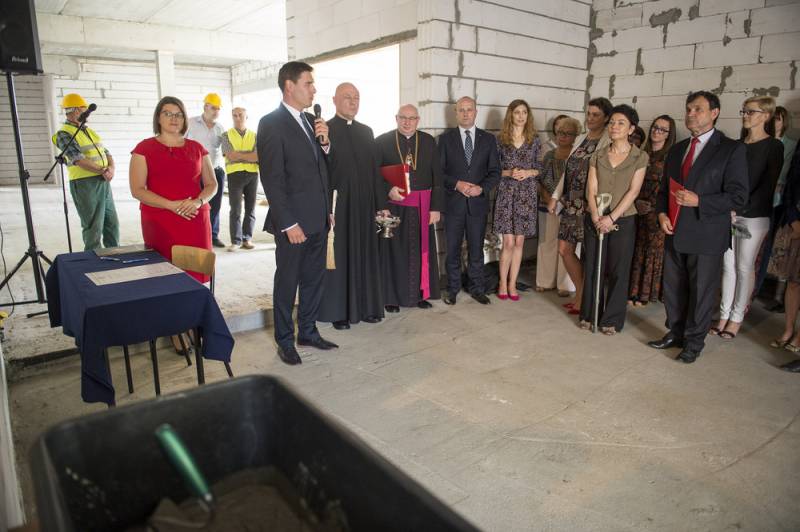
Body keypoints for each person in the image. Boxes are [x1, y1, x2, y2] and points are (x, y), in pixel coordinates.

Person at [649, 91, 748, 363]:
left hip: (707, 234)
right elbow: (664, 191)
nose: (691, 113)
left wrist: (700, 201)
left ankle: (693, 342)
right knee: (673, 289)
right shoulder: (678, 149)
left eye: (698, 109)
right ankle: (675, 332)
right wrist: (661, 214)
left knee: (701, 291)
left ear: (714, 113)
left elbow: (739, 197)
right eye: (688, 109)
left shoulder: (731, 149)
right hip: (675, 230)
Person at [257, 61, 336, 365]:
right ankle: (285, 340)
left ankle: (308, 332)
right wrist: (288, 223)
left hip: (318, 217)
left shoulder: (311, 121)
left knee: (314, 279)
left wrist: (326, 144)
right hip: (293, 223)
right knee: (288, 282)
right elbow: (272, 179)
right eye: (308, 83)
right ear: (289, 86)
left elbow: (321, 170)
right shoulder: (271, 123)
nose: (314, 90)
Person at [710, 96, 783, 339]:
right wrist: (727, 208)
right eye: (744, 111)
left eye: (751, 112)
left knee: (744, 266)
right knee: (728, 266)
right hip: (730, 215)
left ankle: (736, 318)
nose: (745, 116)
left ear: (766, 115)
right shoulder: (737, 145)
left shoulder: (773, 146)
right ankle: (723, 315)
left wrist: (737, 209)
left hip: (752, 216)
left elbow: (767, 186)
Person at [319, 82, 385, 329]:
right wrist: (326, 208)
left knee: (365, 255)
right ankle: (339, 312)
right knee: (340, 256)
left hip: (365, 205)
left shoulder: (367, 132)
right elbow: (321, 169)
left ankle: (367, 307)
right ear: (334, 100)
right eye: (347, 97)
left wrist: (381, 204)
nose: (353, 101)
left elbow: (375, 171)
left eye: (356, 97)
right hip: (339, 205)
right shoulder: (325, 130)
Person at [129, 96, 216, 282]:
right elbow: (137, 189)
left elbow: (212, 184)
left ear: (184, 119)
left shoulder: (197, 148)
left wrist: (198, 202)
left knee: (196, 275)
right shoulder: (144, 148)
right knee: (162, 277)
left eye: (179, 114)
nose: (174, 118)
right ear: (158, 118)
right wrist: (170, 205)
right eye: (167, 114)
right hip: (160, 219)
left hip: (194, 217)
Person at [580, 104, 648, 335]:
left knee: (619, 270)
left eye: (621, 123)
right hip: (596, 217)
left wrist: (611, 218)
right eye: (612, 123)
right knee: (593, 267)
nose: (614, 127)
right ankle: (589, 314)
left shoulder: (640, 157)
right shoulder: (598, 155)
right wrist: (596, 216)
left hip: (623, 219)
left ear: (631, 129)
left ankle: (611, 319)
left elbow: (633, 191)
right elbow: (591, 188)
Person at [375, 105, 444, 312]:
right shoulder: (382, 141)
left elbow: (437, 176)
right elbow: (374, 175)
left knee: (422, 252)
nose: (407, 122)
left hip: (422, 207)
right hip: (395, 207)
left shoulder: (428, 141)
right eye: (403, 118)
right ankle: (392, 298)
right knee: (394, 253)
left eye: (412, 118)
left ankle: (420, 294)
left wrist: (436, 207)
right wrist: (387, 192)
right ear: (396, 118)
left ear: (418, 120)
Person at [548, 97, 612, 315]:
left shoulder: (607, 140)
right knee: (564, 249)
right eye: (588, 113)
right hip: (571, 203)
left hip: (589, 205)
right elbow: (568, 170)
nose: (590, 118)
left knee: (588, 255)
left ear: (606, 118)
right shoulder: (582, 138)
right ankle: (581, 293)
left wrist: (595, 204)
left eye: (596, 115)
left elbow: (605, 175)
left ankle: (583, 298)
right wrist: (556, 196)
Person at [438, 96, 500, 305]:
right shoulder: (445, 140)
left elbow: (495, 172)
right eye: (461, 110)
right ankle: (453, 289)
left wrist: (481, 188)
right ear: (456, 113)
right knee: (453, 250)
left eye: (469, 109)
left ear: (475, 112)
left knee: (476, 250)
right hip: (453, 205)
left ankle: (477, 288)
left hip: (477, 205)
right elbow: (439, 172)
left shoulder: (488, 140)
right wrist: (457, 184)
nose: (465, 113)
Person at [52, 93, 119, 251]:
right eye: (84, 108)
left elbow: (106, 152)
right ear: (76, 110)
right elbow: (78, 159)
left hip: (103, 181)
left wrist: (111, 168)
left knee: (111, 223)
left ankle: (114, 254)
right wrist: (103, 170)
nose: (87, 112)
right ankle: (94, 259)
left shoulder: (88, 131)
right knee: (93, 226)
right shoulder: (64, 134)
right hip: (85, 184)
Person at [492, 99, 541, 301]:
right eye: (517, 112)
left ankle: (513, 284)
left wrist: (528, 172)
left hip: (527, 195)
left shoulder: (534, 139)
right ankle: (502, 283)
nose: (521, 116)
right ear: (510, 115)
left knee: (520, 241)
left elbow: (540, 167)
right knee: (508, 242)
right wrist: (509, 172)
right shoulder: (500, 139)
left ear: (528, 116)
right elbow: (493, 170)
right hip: (507, 193)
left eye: (524, 112)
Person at [629, 115, 677, 306]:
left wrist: (655, 207)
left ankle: (646, 294)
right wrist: (636, 202)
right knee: (636, 248)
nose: (657, 131)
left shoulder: (670, 157)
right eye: (655, 127)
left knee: (653, 252)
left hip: (657, 210)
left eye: (663, 129)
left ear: (669, 135)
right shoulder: (642, 153)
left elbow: (670, 188)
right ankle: (633, 291)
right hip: (636, 206)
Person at [758, 106, 797, 311]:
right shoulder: (762, 141)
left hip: (778, 203)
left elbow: (785, 174)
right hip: (758, 200)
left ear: (785, 121)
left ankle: (776, 295)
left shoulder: (790, 145)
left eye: (779, 119)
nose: (775, 122)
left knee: (772, 248)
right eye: (773, 118)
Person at [537, 115, 580, 295]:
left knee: (568, 246)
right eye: (560, 132)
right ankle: (545, 281)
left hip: (569, 206)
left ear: (575, 136)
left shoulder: (577, 156)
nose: (563, 136)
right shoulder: (549, 155)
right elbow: (541, 180)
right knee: (547, 242)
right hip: (547, 204)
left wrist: (562, 201)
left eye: (568, 133)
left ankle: (565, 285)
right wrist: (549, 199)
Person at [768, 147, 800, 371]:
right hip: (795, 225)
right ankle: (788, 330)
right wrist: (793, 219)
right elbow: (790, 186)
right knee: (793, 281)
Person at [187, 93, 227, 248]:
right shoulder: (190, 123)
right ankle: (195, 234)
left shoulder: (220, 128)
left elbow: (227, 150)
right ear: (205, 107)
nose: (216, 111)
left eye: (218, 109)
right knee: (196, 203)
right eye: (213, 108)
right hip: (195, 172)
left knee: (215, 206)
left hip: (215, 171)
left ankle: (213, 235)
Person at [220, 107, 259, 251]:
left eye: (240, 115)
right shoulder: (225, 135)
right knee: (235, 209)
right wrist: (248, 155)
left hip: (252, 174)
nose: (237, 118)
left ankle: (247, 239)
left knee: (251, 208)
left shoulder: (255, 136)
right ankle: (236, 241)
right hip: (234, 175)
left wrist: (239, 155)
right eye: (234, 115)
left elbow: (257, 157)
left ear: (246, 117)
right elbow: (230, 156)